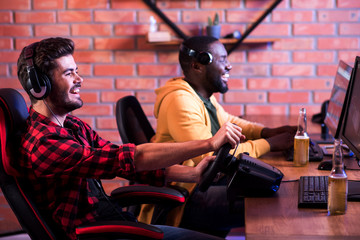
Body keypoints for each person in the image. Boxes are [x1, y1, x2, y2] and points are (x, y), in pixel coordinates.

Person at [16, 37, 245, 240]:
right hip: (102, 234)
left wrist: (192, 173)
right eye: (69, 73)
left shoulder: (72, 126)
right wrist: (208, 144)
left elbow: (124, 163)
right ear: (40, 86)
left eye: (76, 70)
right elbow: (133, 157)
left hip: (115, 224)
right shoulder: (45, 144)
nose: (79, 79)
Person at [139, 36, 297, 237]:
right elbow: (213, 157)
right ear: (198, 66)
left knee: (273, 187)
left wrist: (265, 132)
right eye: (222, 60)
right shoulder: (180, 100)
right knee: (271, 200)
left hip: (205, 183)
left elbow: (229, 121)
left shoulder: (200, 95)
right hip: (189, 195)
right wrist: (269, 144)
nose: (229, 66)